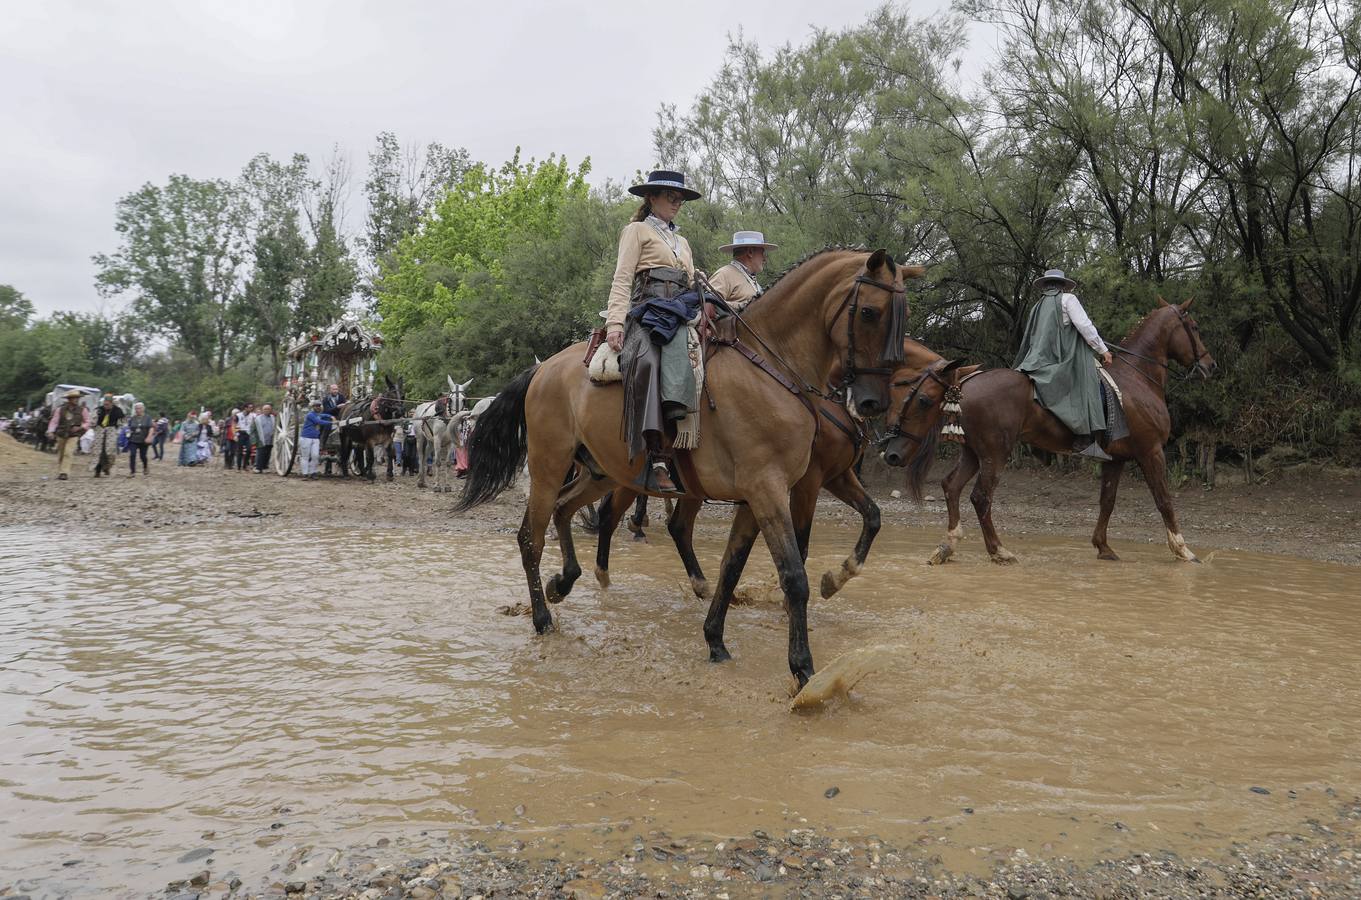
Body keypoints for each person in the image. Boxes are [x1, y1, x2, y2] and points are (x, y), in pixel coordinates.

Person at [605, 169, 703, 493]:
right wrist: (615, 323)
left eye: (680, 199)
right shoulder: (636, 231)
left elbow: (691, 280)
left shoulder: (682, 242)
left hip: (682, 310)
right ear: (651, 198)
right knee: (647, 362)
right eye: (671, 197)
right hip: (648, 311)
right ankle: (656, 457)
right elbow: (622, 277)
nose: (677, 203)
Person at [1013, 268, 1115, 461]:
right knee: (1092, 386)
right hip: (1063, 358)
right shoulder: (1068, 299)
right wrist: (1103, 350)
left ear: (1046, 285)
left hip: (1034, 359)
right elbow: (1084, 326)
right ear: (1062, 285)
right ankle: (1085, 438)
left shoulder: (1037, 306)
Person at [706, 230, 777, 312]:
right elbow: (708, 305)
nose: (764, 259)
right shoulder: (724, 274)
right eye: (762, 253)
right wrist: (744, 306)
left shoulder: (753, 282)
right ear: (750, 252)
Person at [46, 389, 90, 480]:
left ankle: (64, 472)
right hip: (61, 433)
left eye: (77, 398)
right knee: (61, 453)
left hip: (74, 435)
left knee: (68, 452)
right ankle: (61, 470)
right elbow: (54, 421)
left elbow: (87, 422)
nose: (76, 400)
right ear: (69, 399)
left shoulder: (83, 410)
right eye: (74, 398)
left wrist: (80, 427)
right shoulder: (60, 409)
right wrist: (50, 431)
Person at [299, 400, 334, 480]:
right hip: (306, 437)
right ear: (313, 407)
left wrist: (330, 416)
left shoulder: (318, 414)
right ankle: (305, 474)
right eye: (316, 406)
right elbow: (319, 421)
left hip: (315, 438)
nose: (318, 407)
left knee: (315, 456)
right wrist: (332, 423)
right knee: (305, 456)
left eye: (319, 406)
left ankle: (313, 472)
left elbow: (323, 415)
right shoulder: (310, 415)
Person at [90, 394, 124, 477]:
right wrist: (94, 427)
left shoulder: (118, 411)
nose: (106, 405)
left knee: (110, 451)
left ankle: (107, 467)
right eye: (105, 403)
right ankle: (97, 470)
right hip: (100, 430)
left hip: (111, 430)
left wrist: (117, 430)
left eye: (108, 403)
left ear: (112, 403)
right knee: (98, 451)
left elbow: (121, 422)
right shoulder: (99, 410)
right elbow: (93, 421)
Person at [125, 402, 154, 476]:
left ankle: (145, 467)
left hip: (144, 440)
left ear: (143, 409)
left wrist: (149, 437)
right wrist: (127, 433)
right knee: (132, 454)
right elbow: (129, 427)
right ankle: (132, 471)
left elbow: (151, 428)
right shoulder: (132, 418)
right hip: (133, 439)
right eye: (136, 409)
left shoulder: (147, 418)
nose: (138, 410)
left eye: (139, 408)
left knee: (143, 456)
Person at [251, 403, 276, 473]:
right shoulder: (257, 418)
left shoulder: (273, 417)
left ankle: (265, 467)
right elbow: (252, 430)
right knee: (260, 453)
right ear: (262, 410)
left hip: (270, 439)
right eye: (265, 409)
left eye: (268, 409)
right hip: (260, 439)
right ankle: (258, 467)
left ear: (271, 410)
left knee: (267, 454)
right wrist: (253, 440)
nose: (267, 410)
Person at [321, 383, 346, 448]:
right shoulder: (326, 399)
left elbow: (345, 405)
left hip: (339, 415)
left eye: (336, 389)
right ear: (330, 390)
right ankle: (322, 443)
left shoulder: (341, 397)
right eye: (334, 389)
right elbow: (327, 411)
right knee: (327, 425)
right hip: (328, 415)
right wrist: (337, 407)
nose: (335, 391)